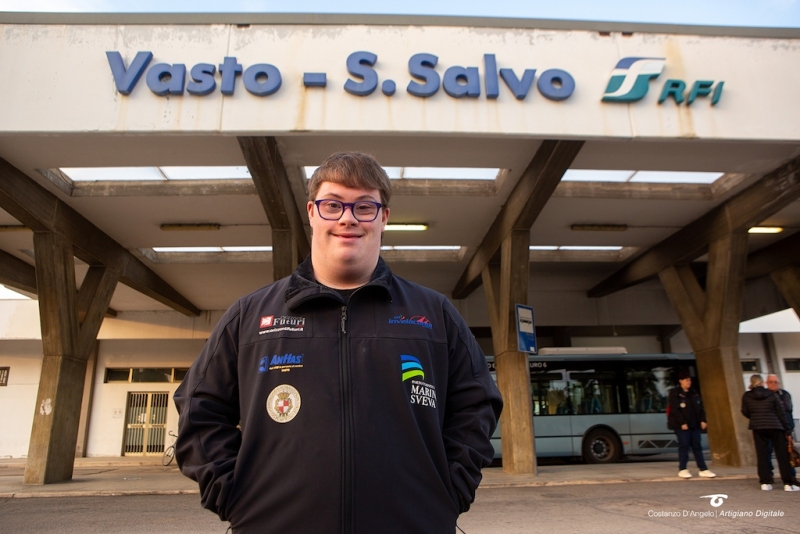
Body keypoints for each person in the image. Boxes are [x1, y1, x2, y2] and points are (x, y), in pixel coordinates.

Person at [173, 151, 504, 533]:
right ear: (312, 213)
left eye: (365, 206)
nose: (348, 217)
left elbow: (477, 404)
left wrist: (448, 493)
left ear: (384, 217)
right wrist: (234, 496)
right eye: (333, 205)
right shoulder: (250, 317)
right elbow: (199, 409)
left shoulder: (435, 314)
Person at [741, 374, 799, 491]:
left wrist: (755, 417)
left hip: (758, 428)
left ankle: (765, 482)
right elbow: (781, 412)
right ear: (762, 383)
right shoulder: (771, 395)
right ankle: (787, 483)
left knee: (762, 455)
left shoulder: (747, 396)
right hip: (775, 426)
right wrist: (787, 429)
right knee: (782, 455)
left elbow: (745, 411)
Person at [667, 370, 716, 479]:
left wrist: (703, 420)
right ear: (681, 381)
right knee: (684, 446)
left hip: (694, 424)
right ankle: (683, 469)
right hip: (682, 426)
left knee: (697, 446)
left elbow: (700, 407)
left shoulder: (694, 393)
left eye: (689, 380)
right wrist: (682, 423)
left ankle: (703, 469)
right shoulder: (675, 393)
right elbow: (675, 410)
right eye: (686, 380)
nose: (689, 382)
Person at [766, 374, 796, 479]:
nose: (773, 384)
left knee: (786, 452)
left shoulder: (784, 394)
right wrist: (779, 405)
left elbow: (787, 408)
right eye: (771, 382)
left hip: (784, 427)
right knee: (767, 452)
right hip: (769, 427)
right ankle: (769, 474)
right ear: (767, 383)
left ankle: (790, 474)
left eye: (776, 382)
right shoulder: (765, 394)